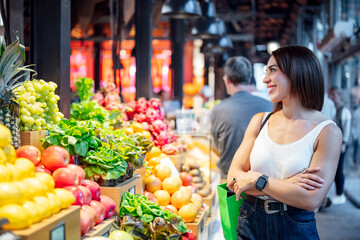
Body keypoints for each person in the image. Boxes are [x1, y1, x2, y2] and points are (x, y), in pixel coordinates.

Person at [227, 46, 342, 240]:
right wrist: (287, 186)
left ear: (297, 72)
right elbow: (233, 179)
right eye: (266, 71)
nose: (265, 79)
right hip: (250, 220)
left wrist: (257, 180)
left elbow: (311, 199)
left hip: (296, 226)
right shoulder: (260, 121)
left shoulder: (327, 131)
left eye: (272, 70)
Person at [210, 56, 273, 179]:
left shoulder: (218, 110)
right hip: (263, 181)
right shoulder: (270, 105)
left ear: (227, 79)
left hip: (229, 180)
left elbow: (217, 147)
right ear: (249, 78)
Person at [329, 86, 352, 205]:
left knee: (339, 170)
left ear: (339, 96)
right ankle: (338, 193)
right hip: (337, 144)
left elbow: (346, 128)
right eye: (330, 95)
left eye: (334, 95)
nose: (332, 97)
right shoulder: (336, 109)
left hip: (342, 145)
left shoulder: (344, 110)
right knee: (336, 169)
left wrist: (343, 143)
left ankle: (340, 194)